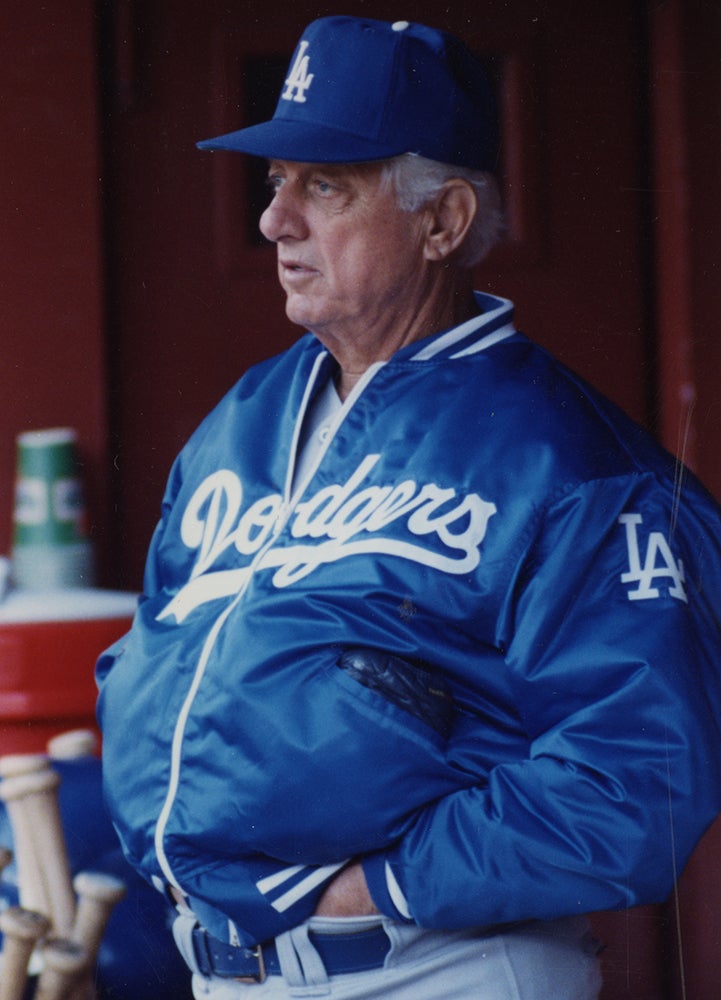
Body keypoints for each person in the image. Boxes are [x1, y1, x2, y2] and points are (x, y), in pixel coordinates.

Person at [96, 15, 721, 999]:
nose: (275, 222)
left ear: (444, 222)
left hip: (430, 967)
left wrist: (373, 886)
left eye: (326, 186)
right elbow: (167, 649)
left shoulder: (574, 463)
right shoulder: (244, 418)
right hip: (224, 971)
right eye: (275, 184)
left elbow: (633, 776)